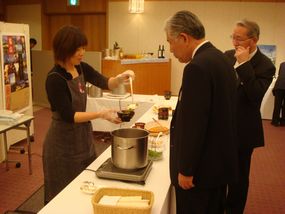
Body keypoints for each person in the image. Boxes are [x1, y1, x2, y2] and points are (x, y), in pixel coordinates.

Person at [42, 25, 135, 204]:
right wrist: (101, 114)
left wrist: (122, 76)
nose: (82, 52)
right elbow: (70, 116)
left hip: (82, 139)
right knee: (62, 196)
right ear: (64, 49)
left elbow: (106, 82)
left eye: (83, 48)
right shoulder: (54, 78)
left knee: (86, 186)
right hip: (61, 145)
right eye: (78, 49)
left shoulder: (81, 67)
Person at [165, 10, 238, 213]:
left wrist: (186, 170)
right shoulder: (222, 59)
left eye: (170, 42)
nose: (171, 49)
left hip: (200, 173)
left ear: (184, 38)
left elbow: (194, 125)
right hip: (218, 165)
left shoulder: (197, 67)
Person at [224, 19, 275, 213]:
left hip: (244, 130)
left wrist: (244, 65)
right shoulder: (227, 56)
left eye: (239, 38)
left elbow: (255, 96)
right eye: (233, 37)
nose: (234, 42)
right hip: (222, 127)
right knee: (219, 171)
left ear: (253, 40)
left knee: (239, 177)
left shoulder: (266, 65)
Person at [272, 62, 285, 126]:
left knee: (277, 105)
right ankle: (283, 122)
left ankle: (275, 121)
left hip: (278, 86)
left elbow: (280, 74)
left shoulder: (282, 64)